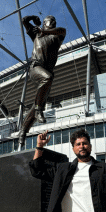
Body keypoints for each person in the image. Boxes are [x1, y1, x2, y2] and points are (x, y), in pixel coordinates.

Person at [18, 15, 66, 147]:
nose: (54, 22)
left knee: (37, 104)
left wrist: (44, 31)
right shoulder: (36, 34)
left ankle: (22, 131)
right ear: (44, 22)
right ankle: (39, 110)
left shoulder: (58, 36)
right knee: (47, 80)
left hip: (48, 72)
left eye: (54, 21)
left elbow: (61, 30)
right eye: (51, 20)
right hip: (36, 67)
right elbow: (24, 21)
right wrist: (34, 17)